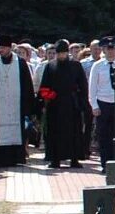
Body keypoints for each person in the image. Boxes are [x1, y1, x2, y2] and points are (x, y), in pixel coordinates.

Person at [0, 34, 37, 167]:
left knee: (16, 131)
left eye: (3, 48)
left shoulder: (21, 63)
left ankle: (15, 158)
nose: (1, 50)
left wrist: (28, 107)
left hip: (16, 107)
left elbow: (27, 86)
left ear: (9, 48)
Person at [37, 39, 89, 169]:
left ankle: (74, 159)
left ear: (67, 53)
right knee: (55, 133)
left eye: (63, 53)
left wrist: (82, 102)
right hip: (55, 105)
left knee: (74, 132)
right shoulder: (50, 66)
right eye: (58, 53)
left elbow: (83, 85)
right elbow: (44, 87)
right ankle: (55, 159)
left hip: (72, 104)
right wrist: (49, 98)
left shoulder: (76, 65)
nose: (61, 56)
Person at [87, 36, 115, 170]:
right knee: (104, 136)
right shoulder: (98, 65)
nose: (111, 51)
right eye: (108, 49)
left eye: (113, 48)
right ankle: (105, 164)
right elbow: (92, 87)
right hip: (103, 103)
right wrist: (94, 105)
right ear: (103, 50)